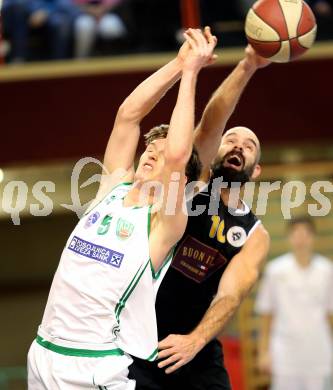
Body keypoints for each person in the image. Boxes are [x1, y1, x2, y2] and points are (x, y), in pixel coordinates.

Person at [27, 28, 217, 389]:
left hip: (93, 367)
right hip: (42, 353)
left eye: (161, 156)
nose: (152, 153)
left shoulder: (165, 223)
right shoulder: (113, 188)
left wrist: (192, 74)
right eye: (151, 148)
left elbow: (179, 154)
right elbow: (128, 115)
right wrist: (177, 63)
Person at [129, 46, 271, 389]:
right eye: (230, 140)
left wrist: (195, 340)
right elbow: (211, 124)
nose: (237, 146)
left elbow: (230, 296)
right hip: (140, 337)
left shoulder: (254, 235)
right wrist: (248, 65)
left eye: (248, 145)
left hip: (197, 348)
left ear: (255, 171)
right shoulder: (191, 187)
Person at [256, 216, 333, 390]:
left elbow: (330, 314)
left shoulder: (327, 271)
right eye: (296, 234)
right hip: (285, 354)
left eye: (305, 234)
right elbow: (267, 314)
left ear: (313, 237)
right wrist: (263, 352)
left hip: (319, 352)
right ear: (289, 237)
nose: (301, 239)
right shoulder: (275, 271)